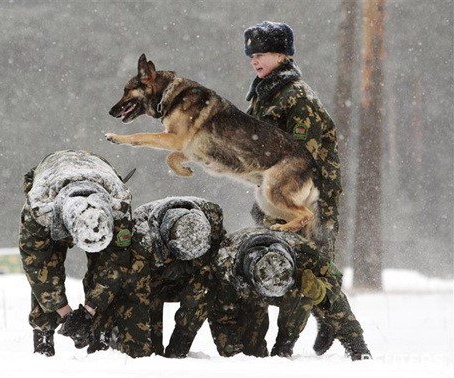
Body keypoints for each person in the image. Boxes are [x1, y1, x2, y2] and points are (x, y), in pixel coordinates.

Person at [243, 21, 371, 359]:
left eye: (263, 54)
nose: (256, 61)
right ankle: (295, 337)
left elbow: (302, 159)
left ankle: (354, 344)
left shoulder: (296, 96)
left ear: (283, 55)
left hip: (308, 199)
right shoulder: (264, 92)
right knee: (281, 264)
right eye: (252, 55)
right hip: (279, 198)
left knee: (313, 272)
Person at [18, 149, 152, 357]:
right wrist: (64, 313)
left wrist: (90, 309)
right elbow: (37, 267)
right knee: (47, 271)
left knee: (108, 270)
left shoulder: (119, 205)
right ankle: (43, 334)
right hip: (52, 176)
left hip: (97, 172)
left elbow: (115, 263)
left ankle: (99, 331)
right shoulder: (40, 210)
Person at [208, 227, 343, 358]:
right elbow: (221, 315)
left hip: (292, 291)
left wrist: (319, 291)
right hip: (249, 294)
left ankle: (285, 346)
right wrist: (230, 349)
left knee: (309, 293)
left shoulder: (305, 252)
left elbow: (335, 277)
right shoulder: (226, 265)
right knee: (249, 353)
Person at [133, 196, 225, 358]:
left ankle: (178, 349)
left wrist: (188, 265)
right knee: (147, 350)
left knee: (208, 281)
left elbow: (219, 259)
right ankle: (150, 350)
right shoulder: (141, 227)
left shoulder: (213, 218)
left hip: (189, 281)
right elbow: (135, 285)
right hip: (151, 283)